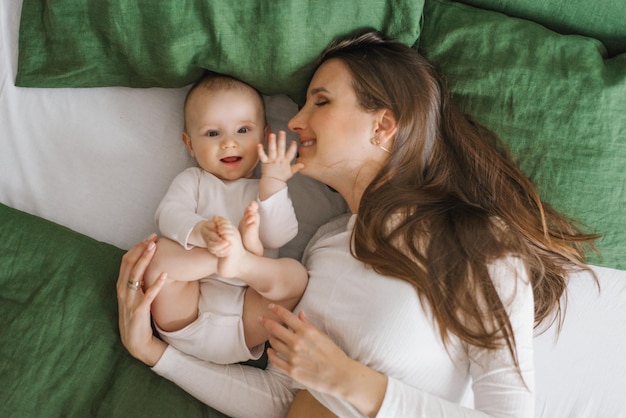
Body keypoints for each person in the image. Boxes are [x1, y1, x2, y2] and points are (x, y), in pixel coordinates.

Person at [117, 31, 598, 417]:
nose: (296, 121)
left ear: (383, 125)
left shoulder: (477, 239)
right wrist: (157, 355)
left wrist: (351, 382)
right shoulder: (323, 249)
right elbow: (281, 400)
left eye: (320, 102)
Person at [142, 72, 308, 364]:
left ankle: (241, 260)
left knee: (295, 276)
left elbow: (279, 235)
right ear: (190, 144)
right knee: (158, 255)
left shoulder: (264, 189)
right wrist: (202, 233)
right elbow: (168, 214)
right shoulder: (193, 180)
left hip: (246, 319)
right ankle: (232, 256)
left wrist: (273, 185)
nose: (229, 143)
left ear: (265, 136)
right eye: (213, 133)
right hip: (185, 312)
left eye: (243, 130)